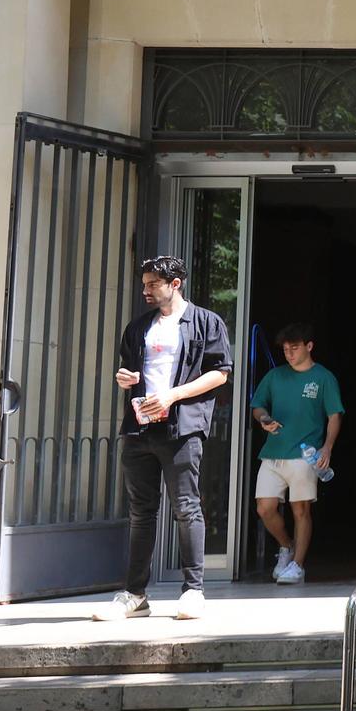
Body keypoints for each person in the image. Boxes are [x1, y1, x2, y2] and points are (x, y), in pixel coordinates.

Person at [95, 255, 232, 622]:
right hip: (140, 427)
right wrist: (126, 379)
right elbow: (132, 370)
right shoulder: (139, 327)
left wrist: (173, 395)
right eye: (144, 284)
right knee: (141, 512)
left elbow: (220, 373)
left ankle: (193, 590)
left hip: (182, 427)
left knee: (186, 507)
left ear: (176, 284)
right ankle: (135, 594)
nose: (146, 290)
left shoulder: (205, 322)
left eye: (153, 284)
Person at [248, 323, 344, 585]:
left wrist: (327, 447)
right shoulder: (275, 376)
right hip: (273, 452)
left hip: (305, 454)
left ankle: (298, 566)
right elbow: (258, 406)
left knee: (300, 509)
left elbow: (334, 415)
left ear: (309, 346)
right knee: (264, 508)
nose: (289, 353)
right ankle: (286, 547)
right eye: (286, 349)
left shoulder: (324, 377)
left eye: (294, 348)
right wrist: (264, 419)